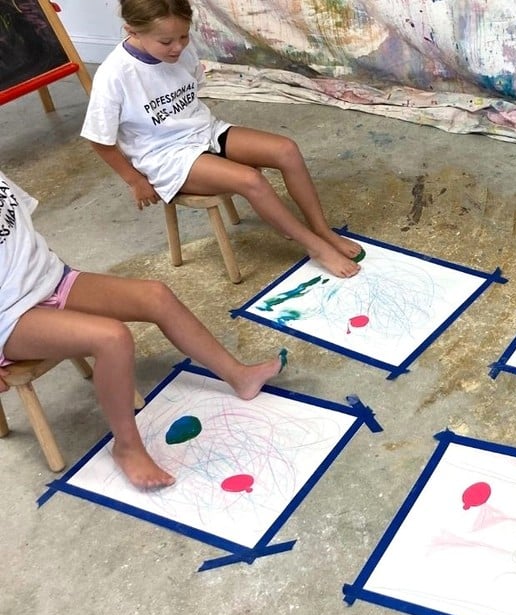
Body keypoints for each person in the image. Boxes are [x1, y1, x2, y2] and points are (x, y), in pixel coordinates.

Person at [0, 170, 284, 490]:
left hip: (51, 280)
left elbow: (21, 237)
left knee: (156, 296)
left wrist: (60, 278)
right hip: (11, 317)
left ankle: (238, 375)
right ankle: (127, 447)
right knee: (113, 338)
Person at [81, 0, 362, 279]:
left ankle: (322, 231)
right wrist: (135, 180)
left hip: (204, 132)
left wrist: (204, 136)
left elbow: (191, 94)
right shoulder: (114, 75)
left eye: (184, 36)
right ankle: (315, 247)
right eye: (166, 41)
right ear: (132, 31)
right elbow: (99, 139)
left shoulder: (181, 51)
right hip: (165, 157)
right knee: (250, 180)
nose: (178, 47)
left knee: (286, 149)